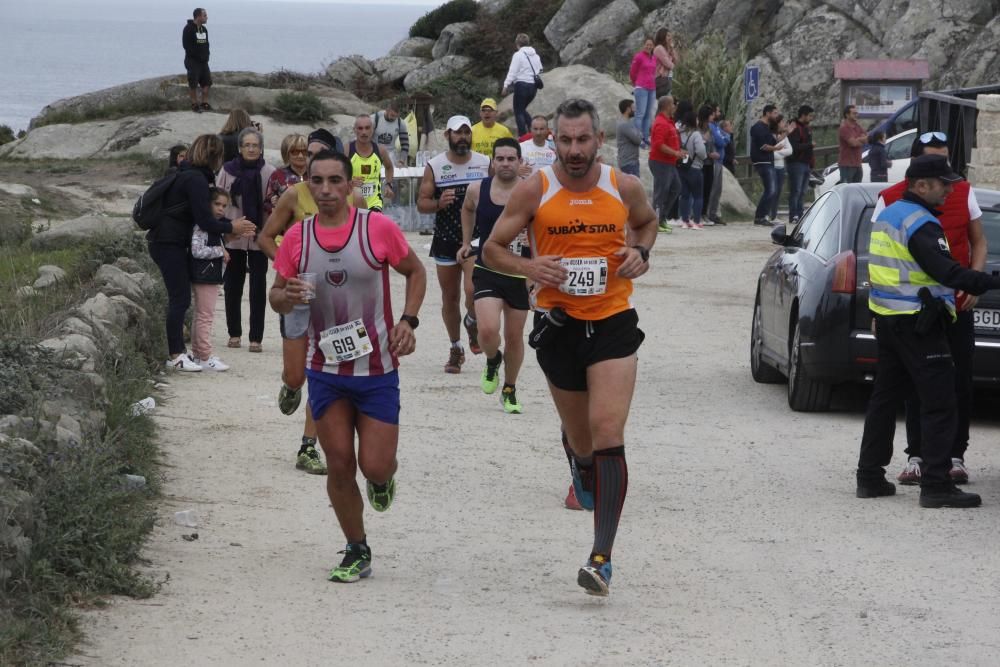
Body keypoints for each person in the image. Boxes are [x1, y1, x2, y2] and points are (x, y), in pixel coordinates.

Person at [483, 98, 657, 596]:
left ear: (598, 140)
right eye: (566, 140)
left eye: (583, 140)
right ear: (552, 141)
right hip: (557, 326)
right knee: (583, 442)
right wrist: (529, 268)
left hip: (613, 322)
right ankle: (578, 462)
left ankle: (601, 558)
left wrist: (640, 251)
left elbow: (647, 221)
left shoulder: (622, 186)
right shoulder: (534, 189)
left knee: (608, 431)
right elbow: (493, 248)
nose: (575, 150)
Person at [268, 149, 427, 582]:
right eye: (316, 181)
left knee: (374, 465)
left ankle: (381, 479)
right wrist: (289, 297)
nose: (325, 190)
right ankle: (357, 548)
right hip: (326, 369)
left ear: (350, 184)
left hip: (377, 369)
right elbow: (276, 295)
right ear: (308, 185)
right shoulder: (298, 238)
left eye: (335, 181)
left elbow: (416, 272)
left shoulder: (376, 228)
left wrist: (409, 321)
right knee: (339, 462)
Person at [856, 154, 1000, 509]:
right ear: (921, 186)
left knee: (884, 400)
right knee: (940, 401)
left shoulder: (890, 215)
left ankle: (870, 477)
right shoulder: (921, 223)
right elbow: (947, 272)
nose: (950, 190)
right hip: (917, 324)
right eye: (943, 184)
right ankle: (936, 485)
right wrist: (990, 281)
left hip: (889, 320)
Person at [259, 130, 337, 476]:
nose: (311, 160)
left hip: (337, 300)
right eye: (309, 157)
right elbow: (264, 235)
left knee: (324, 371)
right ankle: (290, 386)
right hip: (300, 291)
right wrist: (287, 270)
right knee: (296, 374)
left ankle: (308, 447)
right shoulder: (293, 195)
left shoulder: (354, 201)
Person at [147, 134, 255, 371]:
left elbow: (202, 217)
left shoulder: (190, 175)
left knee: (183, 299)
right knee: (180, 298)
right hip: (168, 242)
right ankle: (175, 355)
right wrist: (231, 227)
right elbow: (205, 220)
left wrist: (230, 226)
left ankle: (195, 355)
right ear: (215, 156)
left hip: (169, 242)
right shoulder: (195, 179)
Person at [458, 138, 530, 414]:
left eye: (511, 158)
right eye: (500, 158)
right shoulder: (478, 189)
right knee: (487, 330)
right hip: (487, 269)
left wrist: (536, 267)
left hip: (519, 273)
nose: (505, 164)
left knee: (514, 337)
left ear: (520, 161)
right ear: (492, 161)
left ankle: (509, 389)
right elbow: (467, 209)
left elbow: (540, 227)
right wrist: (467, 242)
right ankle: (492, 359)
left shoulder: (530, 192)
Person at [417, 115, 490, 373]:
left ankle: (472, 321)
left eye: (466, 133)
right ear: (447, 135)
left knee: (473, 290)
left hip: (475, 238)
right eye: (457, 133)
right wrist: (438, 203)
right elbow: (421, 203)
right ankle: (456, 347)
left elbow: (499, 192)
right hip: (446, 238)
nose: (462, 138)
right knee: (450, 297)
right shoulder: (435, 166)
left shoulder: (484, 163)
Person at [216, 126, 276, 353]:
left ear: (261, 148)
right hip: (234, 234)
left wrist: (266, 231)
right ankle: (234, 333)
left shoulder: (269, 171)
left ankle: (256, 338)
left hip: (259, 236)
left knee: (258, 287)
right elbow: (218, 201)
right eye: (247, 145)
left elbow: (273, 205)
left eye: (255, 145)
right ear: (240, 148)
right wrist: (225, 229)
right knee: (233, 286)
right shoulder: (227, 171)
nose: (251, 149)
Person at [189, 186, 232, 371]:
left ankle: (199, 353)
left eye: (224, 205)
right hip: (205, 276)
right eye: (217, 204)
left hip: (210, 275)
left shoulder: (214, 227)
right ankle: (205, 356)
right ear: (208, 204)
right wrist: (219, 251)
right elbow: (196, 250)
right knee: (205, 316)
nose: (221, 209)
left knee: (201, 315)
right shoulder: (202, 225)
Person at [648, 95, 686, 233]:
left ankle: (662, 218)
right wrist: (675, 153)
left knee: (676, 187)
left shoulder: (669, 122)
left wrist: (679, 151)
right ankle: (655, 222)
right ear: (667, 106)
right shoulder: (660, 123)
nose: (675, 107)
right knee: (661, 192)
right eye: (673, 104)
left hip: (669, 162)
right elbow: (658, 145)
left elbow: (669, 141)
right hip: (660, 162)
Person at [348, 114, 395, 212]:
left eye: (367, 128)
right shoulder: (347, 149)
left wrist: (388, 184)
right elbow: (337, 175)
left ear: (372, 129)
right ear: (354, 130)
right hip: (353, 203)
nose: (364, 132)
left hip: (375, 204)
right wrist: (349, 182)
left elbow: (389, 167)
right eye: (360, 128)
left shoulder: (380, 150)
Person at [501, 33, 544, 137]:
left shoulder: (518, 55)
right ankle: (532, 130)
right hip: (533, 88)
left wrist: (505, 85)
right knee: (521, 109)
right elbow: (540, 70)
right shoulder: (536, 55)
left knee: (518, 111)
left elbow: (512, 72)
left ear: (517, 44)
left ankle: (523, 135)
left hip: (521, 86)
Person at [264, 134, 308, 221]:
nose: (300, 156)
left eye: (305, 152)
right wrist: (273, 203)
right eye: (295, 152)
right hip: (286, 226)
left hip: (313, 224)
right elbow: (267, 203)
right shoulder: (278, 175)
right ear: (287, 154)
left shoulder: (315, 174)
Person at [676, 109, 707, 230]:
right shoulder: (696, 134)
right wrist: (704, 157)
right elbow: (700, 151)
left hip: (683, 167)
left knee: (685, 195)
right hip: (695, 167)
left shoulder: (681, 133)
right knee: (698, 195)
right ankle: (697, 221)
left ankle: (685, 220)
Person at [750, 104, 780, 226]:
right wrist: (776, 148)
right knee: (771, 189)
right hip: (762, 161)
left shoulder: (767, 127)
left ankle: (762, 216)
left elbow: (774, 141)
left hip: (768, 160)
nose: (776, 116)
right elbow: (763, 146)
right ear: (767, 113)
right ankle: (760, 216)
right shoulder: (758, 127)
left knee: (771, 189)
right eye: (774, 113)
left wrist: (785, 133)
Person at [785, 105, 815, 224]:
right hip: (796, 163)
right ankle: (793, 215)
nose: (811, 118)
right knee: (796, 190)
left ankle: (800, 214)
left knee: (802, 191)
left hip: (806, 164)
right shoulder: (795, 127)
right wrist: (810, 145)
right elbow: (794, 147)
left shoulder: (807, 127)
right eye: (810, 116)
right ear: (803, 115)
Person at [629, 38, 657, 147]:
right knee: (640, 114)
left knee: (648, 114)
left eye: (651, 45)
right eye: (647, 44)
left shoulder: (654, 58)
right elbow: (632, 71)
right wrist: (635, 83)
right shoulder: (638, 56)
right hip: (641, 88)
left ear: (653, 46)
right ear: (643, 45)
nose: (648, 46)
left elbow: (653, 72)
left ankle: (645, 137)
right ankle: (638, 138)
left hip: (652, 88)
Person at [182, 8, 211, 113]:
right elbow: (186, 46)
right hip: (192, 61)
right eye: (205, 15)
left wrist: (207, 55)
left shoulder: (204, 30)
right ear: (198, 16)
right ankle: (194, 104)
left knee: (207, 82)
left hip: (204, 62)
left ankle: (204, 103)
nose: (207, 17)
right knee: (193, 83)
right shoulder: (188, 29)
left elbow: (207, 44)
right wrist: (198, 56)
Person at [704, 104, 728, 225]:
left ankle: (713, 214)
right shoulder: (710, 127)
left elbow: (726, 138)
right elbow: (721, 141)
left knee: (717, 189)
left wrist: (724, 138)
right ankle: (708, 214)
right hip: (713, 161)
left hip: (719, 161)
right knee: (712, 189)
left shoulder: (715, 126)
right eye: (717, 112)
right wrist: (724, 138)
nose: (719, 113)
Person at [371, 99, 410, 167]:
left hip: (390, 154)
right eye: (392, 115)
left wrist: (401, 161)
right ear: (387, 110)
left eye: (396, 116)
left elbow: (405, 144)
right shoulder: (375, 119)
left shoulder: (400, 123)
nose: (394, 118)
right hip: (374, 152)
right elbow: (364, 139)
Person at [769, 114, 792, 223]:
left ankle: (774, 215)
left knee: (778, 192)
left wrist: (778, 152)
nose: (784, 124)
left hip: (781, 167)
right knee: (772, 191)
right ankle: (769, 214)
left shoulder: (784, 137)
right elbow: (771, 154)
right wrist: (780, 153)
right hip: (773, 167)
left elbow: (790, 151)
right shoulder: (771, 136)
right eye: (782, 122)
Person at [838, 104, 866, 184]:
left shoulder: (858, 126)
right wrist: (860, 140)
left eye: (857, 113)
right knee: (847, 188)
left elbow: (866, 139)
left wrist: (858, 140)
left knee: (856, 189)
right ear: (847, 115)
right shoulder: (844, 128)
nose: (856, 115)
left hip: (857, 163)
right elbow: (853, 143)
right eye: (854, 113)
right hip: (847, 165)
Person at [616, 99, 643, 178]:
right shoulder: (624, 124)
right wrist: (639, 134)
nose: (635, 110)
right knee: (634, 189)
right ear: (628, 109)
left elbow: (638, 135)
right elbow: (638, 140)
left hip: (630, 162)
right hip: (629, 163)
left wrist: (638, 134)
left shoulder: (628, 122)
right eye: (633, 107)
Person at [652, 29, 677, 98]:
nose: (670, 38)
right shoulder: (659, 48)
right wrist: (672, 63)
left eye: (671, 36)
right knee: (664, 100)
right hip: (659, 79)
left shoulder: (667, 49)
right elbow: (670, 65)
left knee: (666, 99)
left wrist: (672, 48)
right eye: (668, 36)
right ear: (662, 36)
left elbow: (676, 61)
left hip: (666, 78)